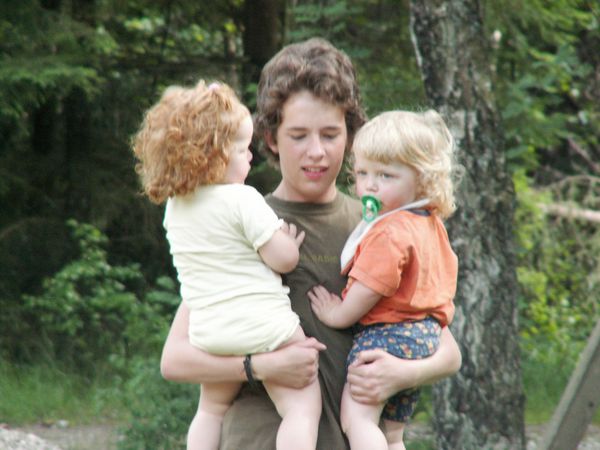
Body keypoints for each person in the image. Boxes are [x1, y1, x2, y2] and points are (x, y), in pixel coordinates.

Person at [160, 38, 462, 450]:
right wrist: (261, 366)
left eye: (331, 134)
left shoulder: (383, 227)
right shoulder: (242, 222)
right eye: (299, 135)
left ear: (351, 136)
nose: (316, 152)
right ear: (270, 138)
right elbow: (175, 359)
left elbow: (446, 348)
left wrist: (403, 374)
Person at [132, 81, 321, 450]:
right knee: (301, 408)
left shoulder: (176, 208)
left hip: (210, 334)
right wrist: (289, 243)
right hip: (265, 327)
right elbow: (283, 260)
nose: (249, 156)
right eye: (241, 149)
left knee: (210, 410)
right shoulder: (242, 199)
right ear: (214, 155)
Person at [308, 110, 460, 450]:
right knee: (392, 434)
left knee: (358, 420)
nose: (370, 185)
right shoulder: (430, 224)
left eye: (386, 175)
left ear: (422, 180)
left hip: (385, 337)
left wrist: (338, 314)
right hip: (424, 339)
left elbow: (371, 286)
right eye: (363, 173)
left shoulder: (389, 230)